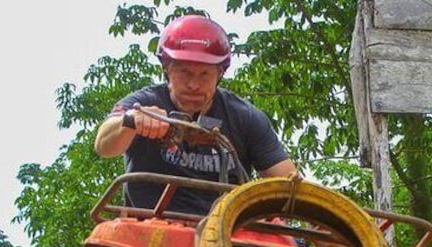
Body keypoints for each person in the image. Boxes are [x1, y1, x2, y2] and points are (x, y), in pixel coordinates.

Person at [94, 14, 297, 215]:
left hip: (227, 233)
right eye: (185, 73)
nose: (194, 85)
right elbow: (104, 146)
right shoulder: (144, 103)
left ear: (220, 74)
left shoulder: (245, 117)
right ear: (167, 69)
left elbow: (291, 185)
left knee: (281, 238)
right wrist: (131, 120)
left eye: (204, 74)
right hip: (149, 230)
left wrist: (322, 227)